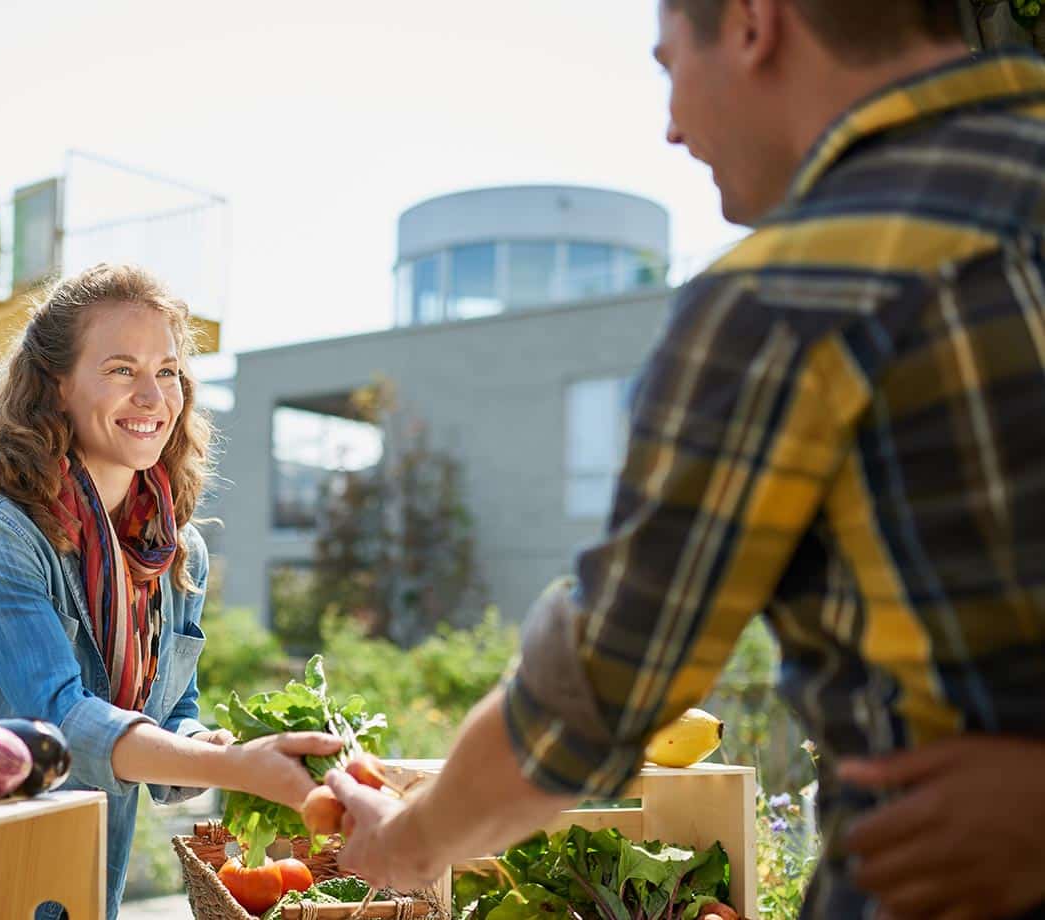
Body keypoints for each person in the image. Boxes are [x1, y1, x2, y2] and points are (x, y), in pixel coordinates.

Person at [325, 2, 1045, 917]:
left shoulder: (790, 295)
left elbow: (600, 688)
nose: (669, 126)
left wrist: (402, 842)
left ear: (752, 24)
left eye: (667, 66)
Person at [0, 264, 340, 919]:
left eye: (168, 372)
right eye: (121, 369)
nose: (153, 397)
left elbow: (171, 721)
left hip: (88, 884)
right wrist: (240, 771)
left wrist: (214, 749)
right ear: (56, 385)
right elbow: (63, 725)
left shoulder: (177, 554)